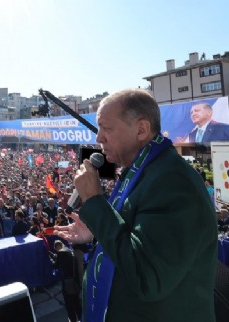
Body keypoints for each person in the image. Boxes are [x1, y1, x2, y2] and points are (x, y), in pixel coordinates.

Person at [53, 89, 218, 322]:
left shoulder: (172, 181)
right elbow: (134, 238)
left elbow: (147, 276)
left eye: (107, 128)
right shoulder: (142, 171)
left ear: (141, 129)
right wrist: (95, 232)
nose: (98, 137)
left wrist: (95, 202)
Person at [53, 240, 82, 322]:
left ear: (57, 247)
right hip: (75, 280)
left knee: (69, 303)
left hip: (67, 282)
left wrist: (51, 259)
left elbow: (55, 265)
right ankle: (81, 318)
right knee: (76, 302)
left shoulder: (60, 253)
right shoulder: (69, 250)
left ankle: (73, 319)